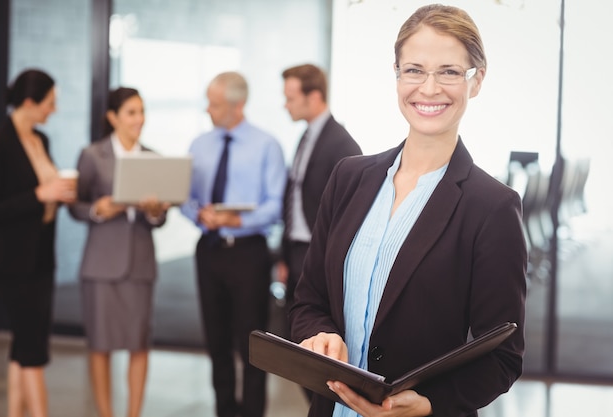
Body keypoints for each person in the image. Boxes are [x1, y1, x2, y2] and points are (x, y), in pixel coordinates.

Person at [289, 4, 528, 417]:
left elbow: (502, 356)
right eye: (414, 69)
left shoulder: (493, 207)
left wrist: (432, 403)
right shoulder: (349, 177)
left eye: (450, 71)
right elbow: (308, 302)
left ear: (477, 81)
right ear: (397, 75)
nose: (430, 88)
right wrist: (320, 334)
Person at [180, 71, 286, 417]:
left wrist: (236, 220)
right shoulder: (199, 145)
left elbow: (275, 205)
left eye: (214, 104)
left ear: (238, 105)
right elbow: (185, 197)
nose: (208, 110)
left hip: (248, 254)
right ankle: (224, 410)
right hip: (208, 250)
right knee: (216, 341)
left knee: (251, 343)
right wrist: (199, 215)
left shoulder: (266, 145)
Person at [68, 87, 169, 417]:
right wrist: (97, 209)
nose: (139, 119)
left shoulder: (153, 158)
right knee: (100, 345)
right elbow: (77, 206)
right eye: (131, 112)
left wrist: (155, 210)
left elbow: (160, 219)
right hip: (101, 264)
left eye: (141, 111)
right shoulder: (93, 155)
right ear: (112, 117)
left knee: (139, 344)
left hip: (139, 264)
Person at [0, 69, 76, 417]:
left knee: (23, 345)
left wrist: (59, 195)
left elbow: (46, 193)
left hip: (41, 255)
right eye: (50, 103)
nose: (53, 110)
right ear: (29, 102)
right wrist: (39, 195)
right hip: (12, 262)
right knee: (33, 348)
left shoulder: (42, 140)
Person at [280, 63, 362, 314]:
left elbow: (349, 211)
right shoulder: (306, 137)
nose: (286, 105)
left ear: (314, 97)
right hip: (296, 250)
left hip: (318, 253)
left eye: (290, 98)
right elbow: (295, 197)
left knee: (311, 323)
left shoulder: (342, 145)